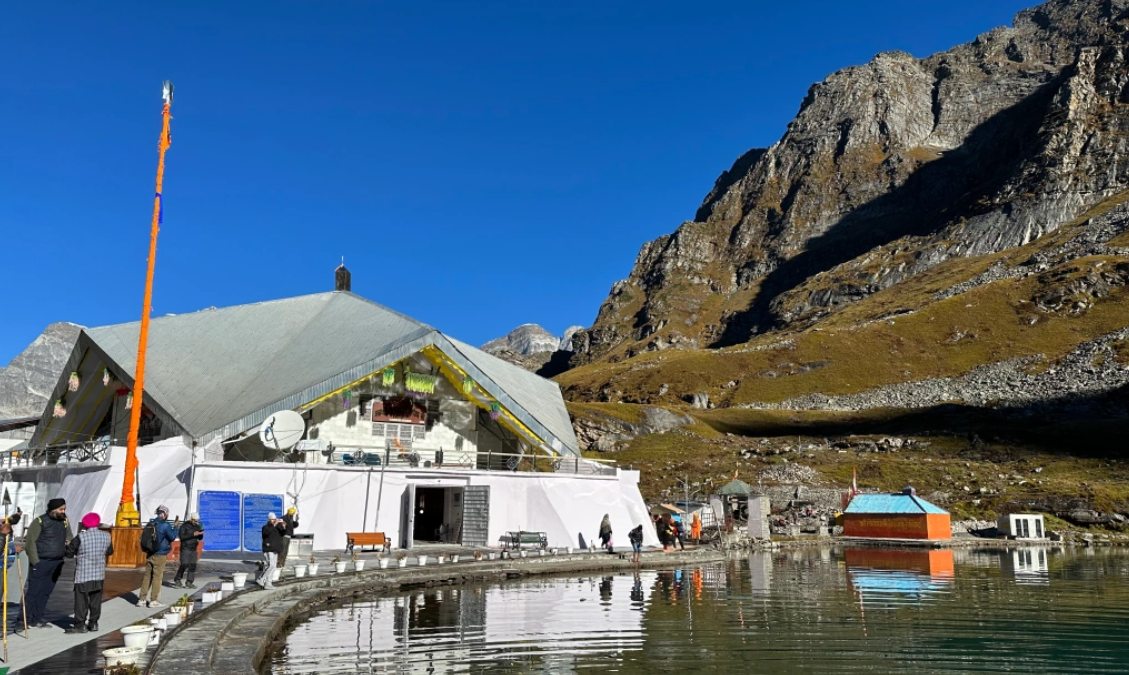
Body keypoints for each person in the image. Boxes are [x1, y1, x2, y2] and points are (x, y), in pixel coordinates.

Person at [23, 497, 72, 627]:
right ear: (53, 509)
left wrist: (69, 546)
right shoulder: (39, 521)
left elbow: (69, 537)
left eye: (64, 509)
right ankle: (24, 620)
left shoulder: (64, 521)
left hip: (57, 563)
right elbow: (30, 543)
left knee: (46, 592)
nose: (63, 511)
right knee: (33, 592)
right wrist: (36, 562)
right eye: (61, 509)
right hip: (41, 562)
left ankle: (37, 619)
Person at [65, 512, 113, 633]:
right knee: (96, 600)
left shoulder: (80, 537)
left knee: (81, 601)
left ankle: (80, 625)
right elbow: (109, 551)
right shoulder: (106, 535)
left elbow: (69, 554)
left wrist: (68, 546)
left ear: (85, 525)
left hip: (83, 574)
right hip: (99, 573)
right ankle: (94, 623)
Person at [139, 505, 177, 608]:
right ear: (164, 514)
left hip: (150, 552)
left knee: (147, 576)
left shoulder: (150, 523)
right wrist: (176, 527)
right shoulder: (165, 525)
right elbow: (172, 537)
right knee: (157, 577)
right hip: (160, 554)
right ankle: (153, 600)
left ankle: (142, 599)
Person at [172, 513, 204, 588]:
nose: (197, 522)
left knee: (193, 565)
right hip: (185, 548)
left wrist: (201, 533)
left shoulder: (197, 526)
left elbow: (200, 538)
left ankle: (189, 582)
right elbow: (182, 537)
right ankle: (177, 579)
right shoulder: (184, 526)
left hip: (193, 548)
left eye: (197, 521)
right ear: (191, 519)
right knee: (184, 564)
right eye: (195, 521)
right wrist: (193, 534)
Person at [257, 512, 284, 590]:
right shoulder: (265, 527)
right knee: (270, 565)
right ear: (269, 519)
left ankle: (268, 583)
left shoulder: (277, 527)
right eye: (273, 520)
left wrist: (284, 526)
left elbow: (283, 534)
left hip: (275, 549)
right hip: (268, 549)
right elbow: (267, 533)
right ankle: (261, 579)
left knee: (274, 566)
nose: (274, 521)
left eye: (275, 519)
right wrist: (274, 525)